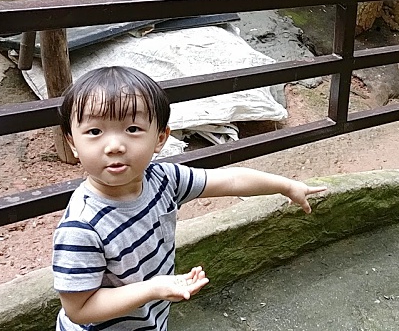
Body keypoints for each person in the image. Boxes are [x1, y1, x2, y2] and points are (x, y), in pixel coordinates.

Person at [52, 66, 327, 330]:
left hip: (148, 319)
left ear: (160, 138)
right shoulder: (81, 227)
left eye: (132, 129)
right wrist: (155, 288)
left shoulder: (163, 179)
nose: (114, 146)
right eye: (94, 132)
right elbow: (80, 309)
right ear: (73, 143)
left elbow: (230, 180)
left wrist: (285, 186)